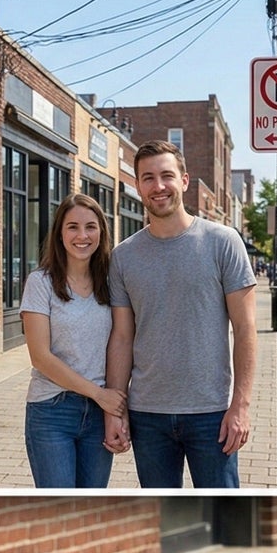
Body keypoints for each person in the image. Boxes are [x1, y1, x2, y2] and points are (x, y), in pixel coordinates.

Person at [107, 140, 257, 488]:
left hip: (212, 413)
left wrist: (241, 406)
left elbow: (246, 329)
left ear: (185, 181)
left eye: (166, 176)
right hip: (148, 415)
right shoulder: (124, 256)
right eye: (148, 178)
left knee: (224, 519)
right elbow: (122, 337)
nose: (158, 187)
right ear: (137, 185)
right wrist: (115, 412)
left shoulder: (223, 241)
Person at [20, 192, 129, 489]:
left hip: (98, 414)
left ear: (102, 232)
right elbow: (40, 357)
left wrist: (115, 410)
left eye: (91, 227)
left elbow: (120, 344)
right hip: (52, 410)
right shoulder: (40, 283)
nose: (82, 235)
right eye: (72, 227)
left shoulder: (111, 284)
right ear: (59, 233)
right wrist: (99, 394)